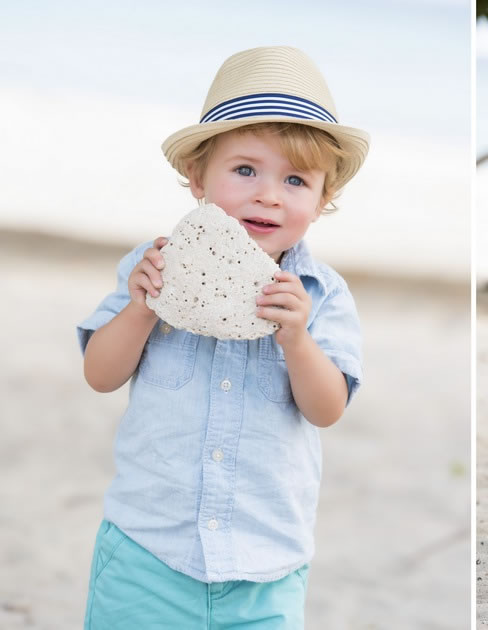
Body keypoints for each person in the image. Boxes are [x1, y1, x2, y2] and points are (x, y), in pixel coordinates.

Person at [77, 46, 369, 628]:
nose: (269, 194)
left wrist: (298, 342)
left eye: (296, 180)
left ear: (323, 200)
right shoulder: (153, 265)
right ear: (197, 179)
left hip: (265, 570)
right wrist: (140, 310)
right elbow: (100, 375)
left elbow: (328, 409)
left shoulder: (322, 294)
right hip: (147, 555)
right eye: (245, 170)